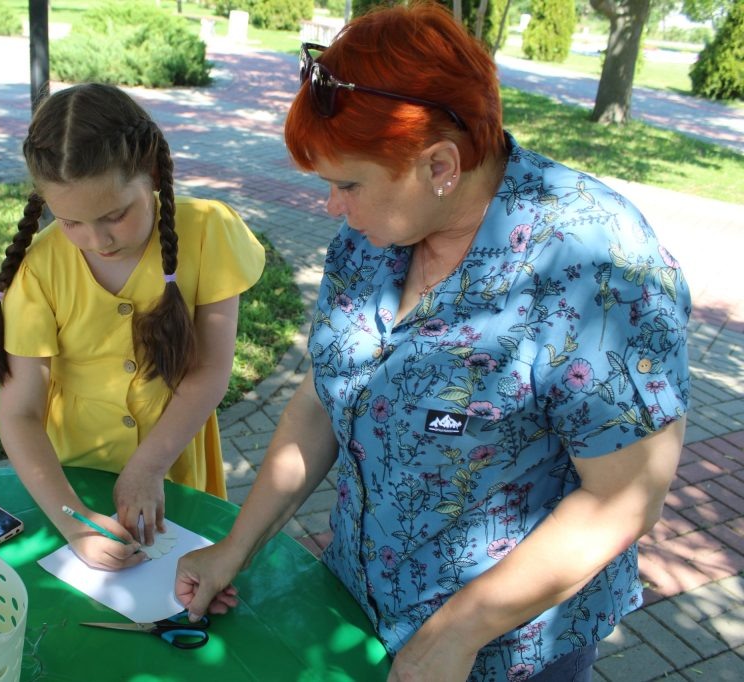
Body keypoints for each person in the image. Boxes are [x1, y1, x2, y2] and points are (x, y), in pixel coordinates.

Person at [174, 3, 690, 681]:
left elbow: (625, 496)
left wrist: (460, 629)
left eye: (347, 184)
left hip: (510, 651)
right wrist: (236, 547)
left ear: (440, 164)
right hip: (358, 602)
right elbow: (325, 396)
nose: (333, 207)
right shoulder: (376, 235)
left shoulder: (595, 267)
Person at [0, 83, 265, 571]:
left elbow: (211, 370)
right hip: (72, 480)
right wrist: (75, 522)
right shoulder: (39, 269)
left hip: (174, 463)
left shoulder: (210, 231)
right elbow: (20, 413)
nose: (97, 240)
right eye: (71, 223)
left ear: (150, 172)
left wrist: (147, 466)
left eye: (115, 216)